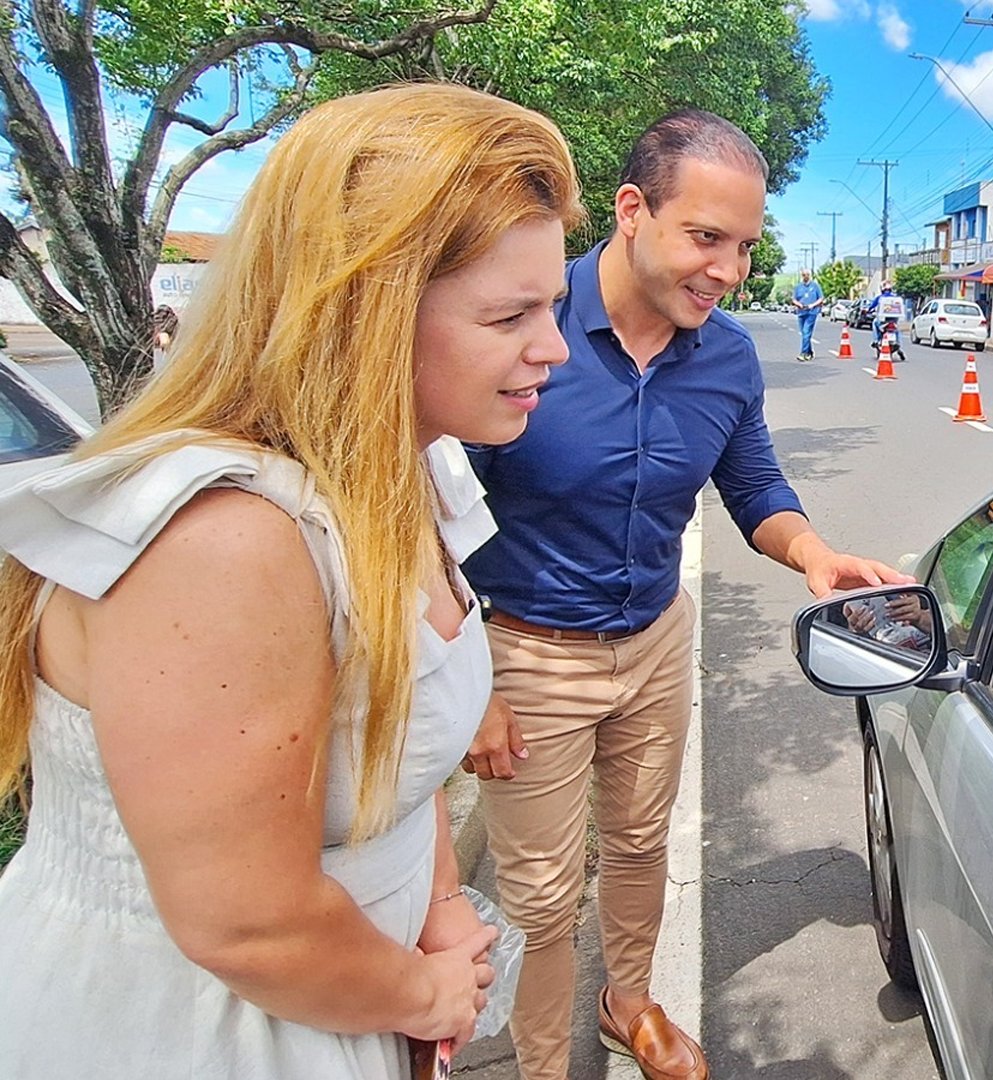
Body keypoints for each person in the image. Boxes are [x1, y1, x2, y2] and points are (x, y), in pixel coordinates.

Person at [0, 84, 582, 1078]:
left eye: (555, 306)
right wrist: (424, 993)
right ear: (365, 312)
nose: (554, 349)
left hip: (350, 998)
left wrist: (440, 908)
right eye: (509, 314)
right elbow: (248, 926)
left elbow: (400, 746)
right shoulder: (226, 540)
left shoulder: (411, 468)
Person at [458, 108, 910, 1080]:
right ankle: (541, 1065)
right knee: (539, 897)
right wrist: (466, 677)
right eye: (707, 237)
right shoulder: (524, 322)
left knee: (636, 844)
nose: (728, 269)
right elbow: (425, 504)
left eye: (743, 247)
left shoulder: (729, 357)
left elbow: (752, 487)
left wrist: (815, 557)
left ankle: (629, 1002)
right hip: (527, 653)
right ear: (632, 210)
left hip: (656, 638)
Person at [792, 268, 825, 361]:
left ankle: (803, 353)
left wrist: (813, 305)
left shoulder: (815, 286)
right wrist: (799, 304)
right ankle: (809, 352)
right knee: (804, 334)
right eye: (803, 275)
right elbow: (794, 299)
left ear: (809, 275)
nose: (805, 276)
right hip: (801, 312)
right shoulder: (798, 287)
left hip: (812, 312)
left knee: (806, 332)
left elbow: (821, 298)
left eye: (807, 274)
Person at [872, 283, 908, 358]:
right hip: (894, 321)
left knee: (874, 323)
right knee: (897, 331)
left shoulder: (880, 298)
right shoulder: (896, 299)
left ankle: (876, 340)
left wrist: (868, 310)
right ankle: (899, 346)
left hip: (883, 322)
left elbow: (872, 306)